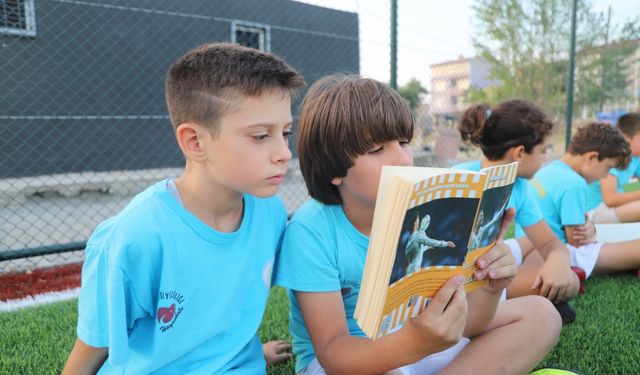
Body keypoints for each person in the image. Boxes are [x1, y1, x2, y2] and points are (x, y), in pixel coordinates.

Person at [275, 75, 561, 375]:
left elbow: (470, 325)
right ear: (333, 168)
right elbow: (334, 352)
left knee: (542, 315)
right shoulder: (311, 231)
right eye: (376, 149)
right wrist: (414, 343)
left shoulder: (426, 214)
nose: (402, 159)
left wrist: (490, 288)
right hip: (353, 361)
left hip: (420, 341)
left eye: (404, 143)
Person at [62, 43, 303, 374]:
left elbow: (219, 309)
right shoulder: (136, 236)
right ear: (195, 142)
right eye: (261, 136)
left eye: (285, 133)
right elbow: (90, 351)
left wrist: (245, 353)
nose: (284, 153)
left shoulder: (270, 212)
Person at [455, 101, 582, 321]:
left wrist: (559, 260)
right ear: (520, 153)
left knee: (562, 273)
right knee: (568, 283)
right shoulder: (460, 180)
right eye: (543, 151)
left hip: (495, 253)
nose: (544, 160)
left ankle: (545, 285)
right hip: (472, 273)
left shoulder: (519, 186)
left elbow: (549, 243)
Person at [531, 122, 640, 280]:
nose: (605, 176)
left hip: (534, 253)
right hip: (561, 257)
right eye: (608, 168)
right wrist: (593, 235)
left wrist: (592, 231)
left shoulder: (548, 170)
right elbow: (577, 242)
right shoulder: (574, 183)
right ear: (592, 158)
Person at [586, 112, 640, 223]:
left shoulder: (635, 158)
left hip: (611, 209)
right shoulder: (614, 157)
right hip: (594, 211)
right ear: (628, 139)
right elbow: (610, 199)